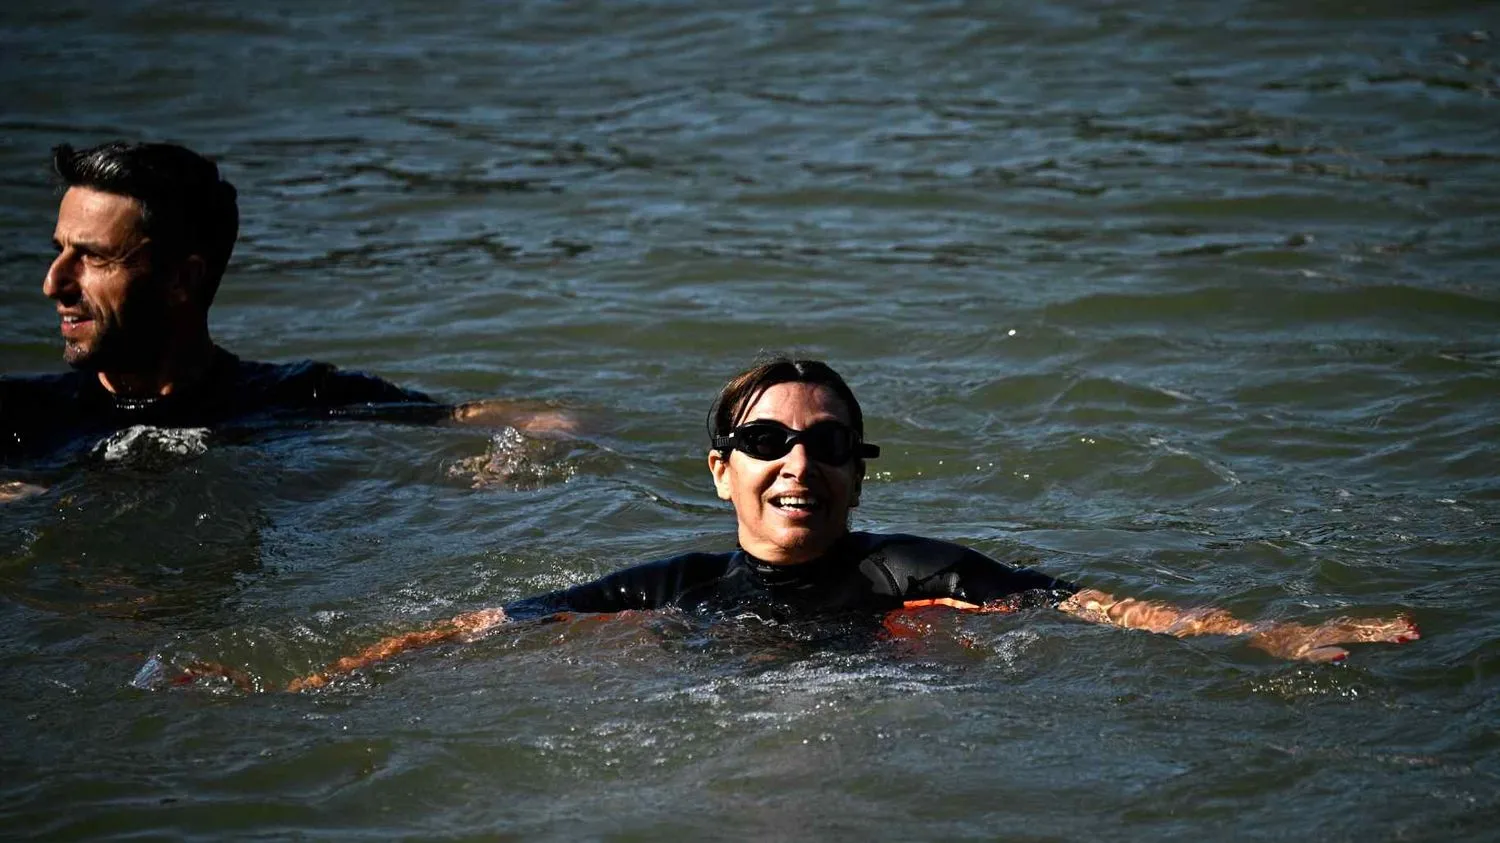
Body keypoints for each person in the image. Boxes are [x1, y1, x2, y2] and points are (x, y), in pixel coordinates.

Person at [167, 357, 1414, 692]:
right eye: (766, 441)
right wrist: (334, 672)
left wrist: (1269, 633)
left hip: (877, 690)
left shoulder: (915, 567)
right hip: (707, 687)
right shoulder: (672, 580)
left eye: (825, 443)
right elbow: (486, 625)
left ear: (860, 474)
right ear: (721, 471)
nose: (796, 461)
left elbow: (1091, 605)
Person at [0, 141, 570, 487]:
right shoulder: (19, 417)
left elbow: (544, 419)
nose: (54, 283)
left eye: (94, 257)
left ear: (183, 279)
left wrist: (514, 461)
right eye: (60, 251)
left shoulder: (297, 399)